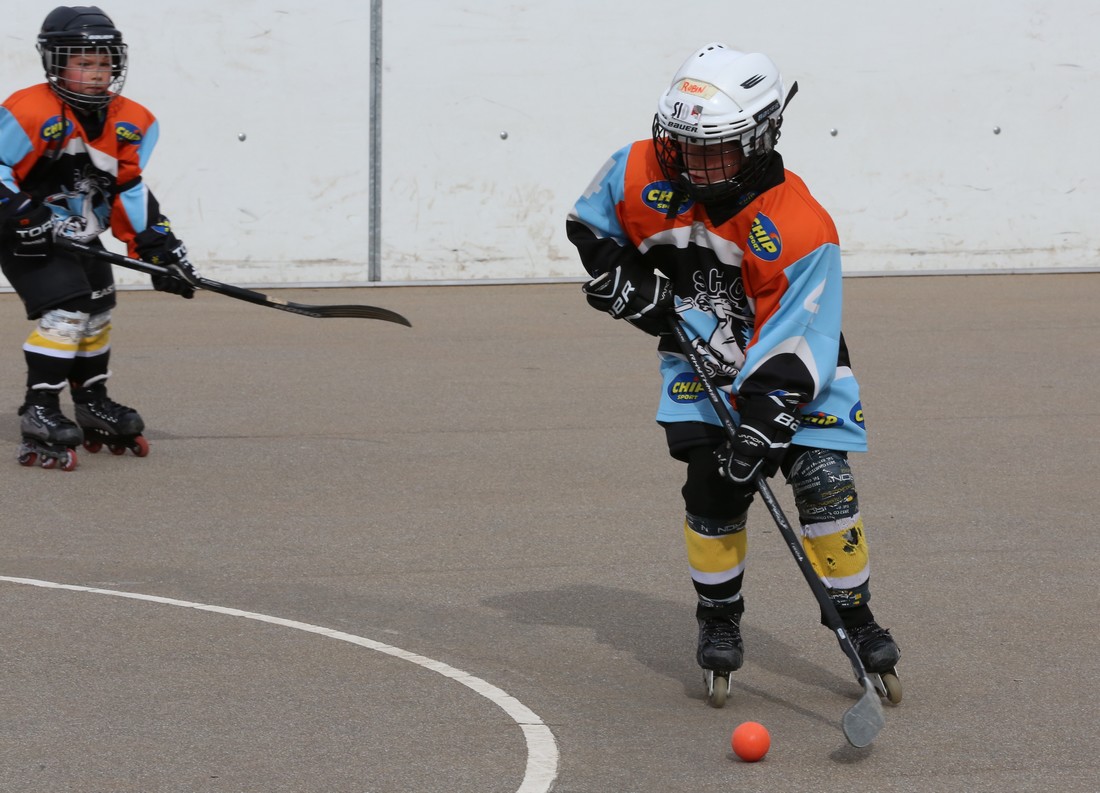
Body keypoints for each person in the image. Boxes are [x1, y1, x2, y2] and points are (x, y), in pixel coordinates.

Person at [567, 42, 901, 700]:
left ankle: (856, 620)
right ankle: (718, 619)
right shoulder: (638, 168)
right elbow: (591, 227)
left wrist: (762, 428)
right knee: (713, 489)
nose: (693, 162)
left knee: (824, 482)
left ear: (762, 137)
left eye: (714, 147)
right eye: (683, 144)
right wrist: (628, 283)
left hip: (796, 369)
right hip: (702, 361)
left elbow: (799, 340)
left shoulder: (799, 225)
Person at [1, 6, 199, 470]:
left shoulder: (135, 121)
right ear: (55, 63)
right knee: (67, 313)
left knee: (97, 312)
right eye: (83, 63)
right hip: (25, 233)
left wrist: (158, 247)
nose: (95, 74)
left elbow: (127, 187)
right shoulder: (26, 111)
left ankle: (92, 401)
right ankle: (39, 409)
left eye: (104, 63)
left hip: (79, 233)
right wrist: (21, 214)